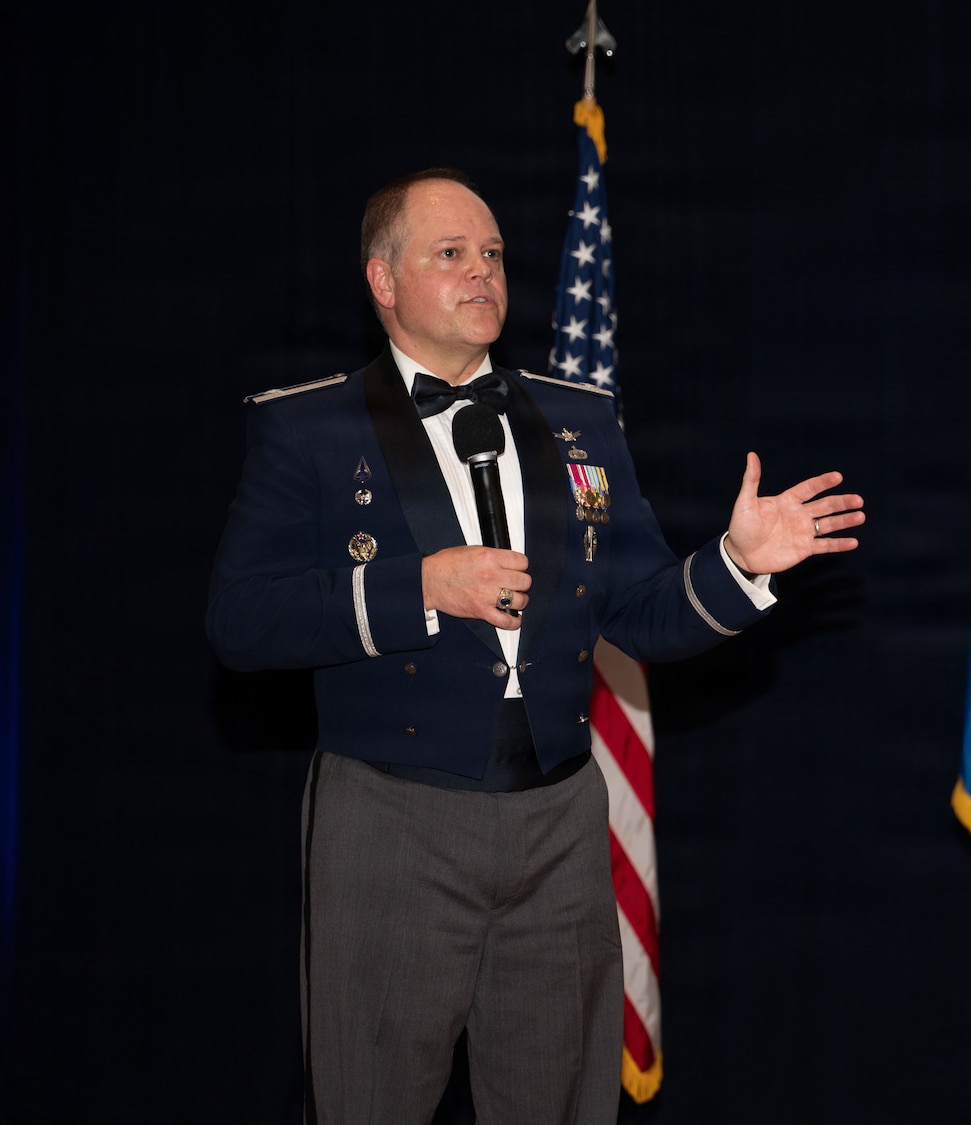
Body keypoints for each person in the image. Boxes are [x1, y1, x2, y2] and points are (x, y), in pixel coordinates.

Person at [206, 168, 863, 1123]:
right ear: (383, 280)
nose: (482, 271)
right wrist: (419, 587)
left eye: (493, 253)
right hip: (392, 819)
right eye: (451, 254)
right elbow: (240, 620)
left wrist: (736, 564)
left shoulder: (577, 415)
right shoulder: (308, 425)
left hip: (560, 817)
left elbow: (636, 610)